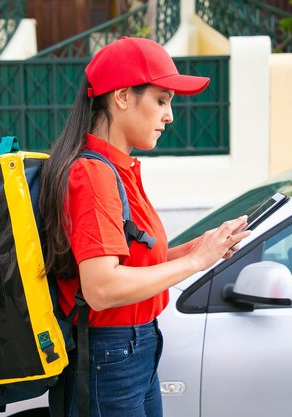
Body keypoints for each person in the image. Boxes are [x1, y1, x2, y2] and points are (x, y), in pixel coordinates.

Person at [39, 37, 250, 417]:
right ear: (122, 96)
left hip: (133, 348)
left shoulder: (118, 169)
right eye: (161, 100)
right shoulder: (92, 175)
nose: (169, 116)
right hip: (112, 354)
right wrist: (195, 263)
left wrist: (199, 248)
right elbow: (102, 288)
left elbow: (129, 266)